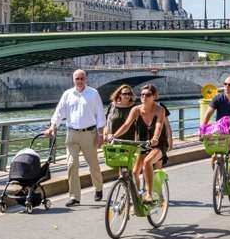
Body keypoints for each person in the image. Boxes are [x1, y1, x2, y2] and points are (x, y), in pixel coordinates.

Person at [45, 69, 105, 207]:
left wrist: (100, 134)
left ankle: (98, 188)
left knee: (93, 165)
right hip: (72, 134)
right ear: (73, 80)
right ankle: (74, 197)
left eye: (82, 78)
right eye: (77, 78)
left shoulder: (93, 93)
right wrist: (53, 126)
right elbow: (59, 113)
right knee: (72, 165)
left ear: (86, 79)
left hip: (89, 134)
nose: (79, 81)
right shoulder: (67, 94)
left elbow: (100, 115)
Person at [109, 83, 169, 203]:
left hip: (158, 144)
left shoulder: (159, 110)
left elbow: (159, 125)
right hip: (142, 144)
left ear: (154, 96)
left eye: (147, 95)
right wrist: (113, 136)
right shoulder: (136, 110)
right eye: (142, 95)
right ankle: (136, 197)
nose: (144, 97)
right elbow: (126, 125)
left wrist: (155, 137)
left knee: (147, 162)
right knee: (134, 172)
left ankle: (149, 194)